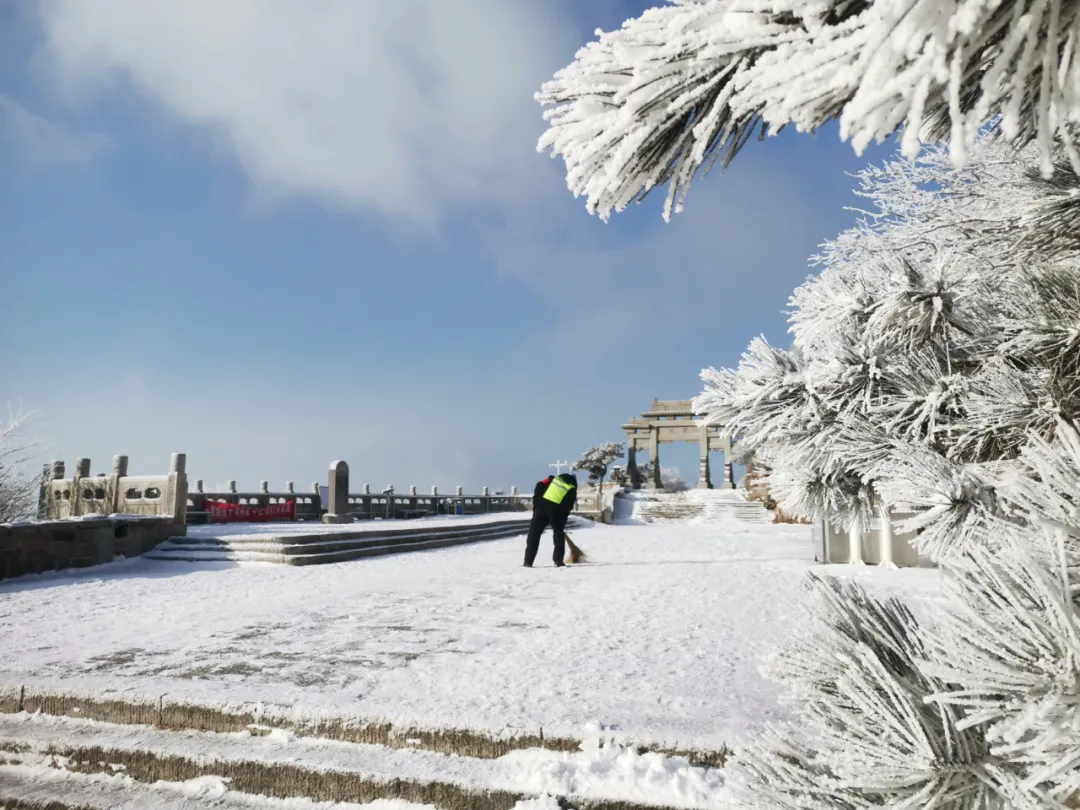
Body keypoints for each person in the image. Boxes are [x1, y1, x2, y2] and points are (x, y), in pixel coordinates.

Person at [523, 472, 577, 567]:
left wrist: (537, 505)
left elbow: (539, 485)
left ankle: (528, 561)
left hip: (541, 508)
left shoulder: (551, 482)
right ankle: (558, 561)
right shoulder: (571, 488)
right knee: (558, 535)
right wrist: (562, 521)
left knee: (533, 535)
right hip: (557, 511)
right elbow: (568, 505)